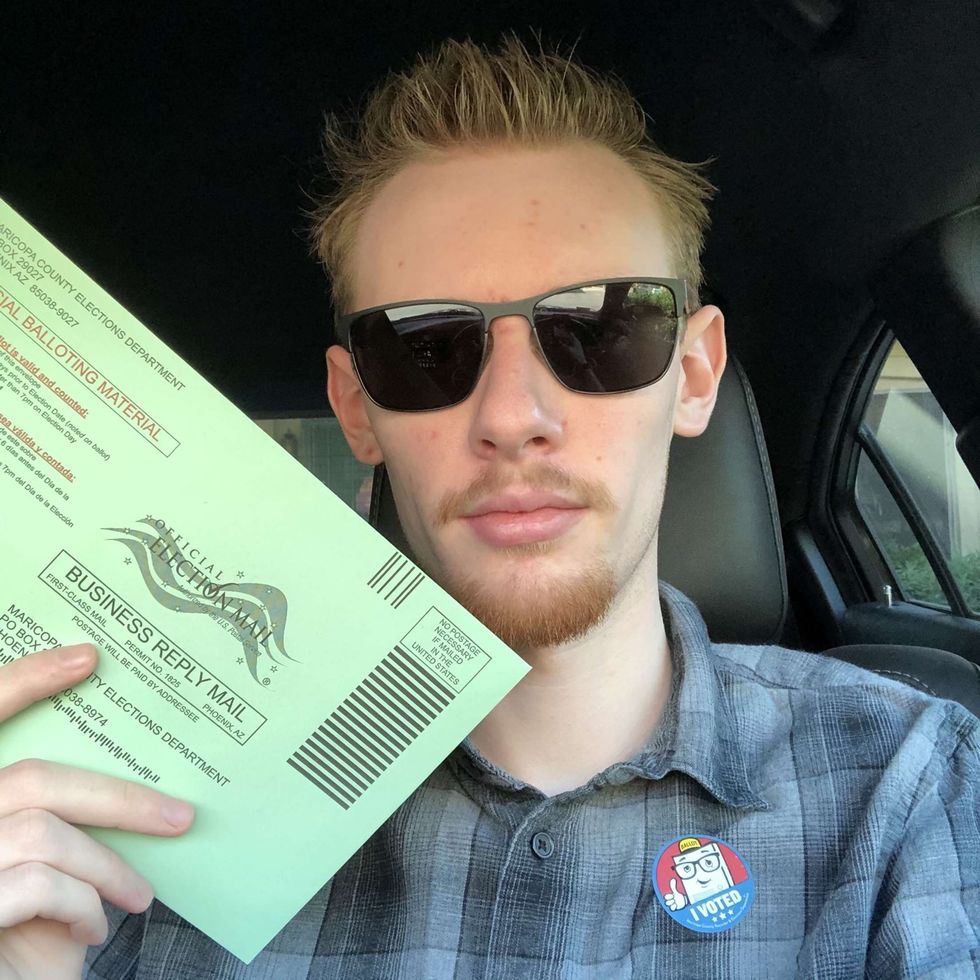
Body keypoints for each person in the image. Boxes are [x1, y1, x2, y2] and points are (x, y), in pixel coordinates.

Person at [0, 32, 976, 980]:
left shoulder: (907, 786)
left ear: (691, 374)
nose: (512, 417)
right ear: (356, 407)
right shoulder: (122, 823)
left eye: (598, 330)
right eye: (424, 348)